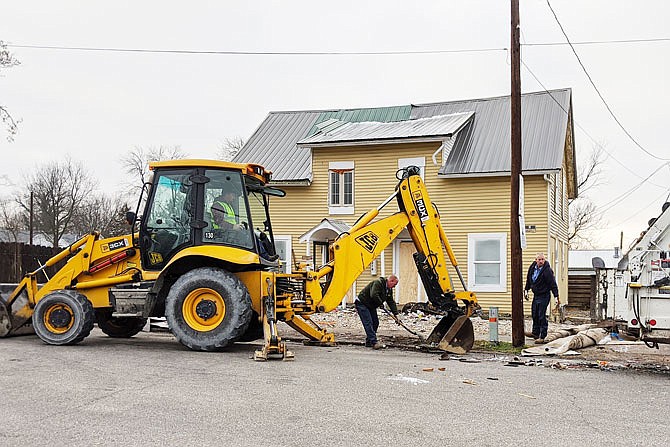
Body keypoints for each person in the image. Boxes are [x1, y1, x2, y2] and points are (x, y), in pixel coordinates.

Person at [355, 275, 400, 349]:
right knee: (368, 322)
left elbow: (391, 301)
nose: (394, 287)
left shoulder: (388, 289)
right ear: (391, 281)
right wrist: (380, 303)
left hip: (371, 305)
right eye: (394, 284)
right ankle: (374, 342)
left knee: (375, 322)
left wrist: (396, 314)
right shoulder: (378, 283)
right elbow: (374, 294)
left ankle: (369, 342)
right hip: (362, 303)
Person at [524, 253, 559, 344]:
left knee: (541, 315)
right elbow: (529, 279)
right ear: (536, 260)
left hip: (544, 295)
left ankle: (542, 336)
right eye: (539, 259)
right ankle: (535, 333)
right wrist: (526, 290)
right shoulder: (532, 268)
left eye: (542, 259)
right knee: (534, 313)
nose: (541, 261)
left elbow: (553, 284)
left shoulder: (547, 271)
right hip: (536, 295)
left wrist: (556, 296)